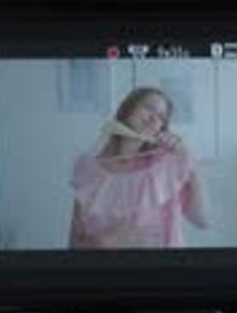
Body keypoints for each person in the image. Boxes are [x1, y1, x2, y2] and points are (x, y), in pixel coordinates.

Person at [70, 87, 208, 249]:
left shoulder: (167, 166)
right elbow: (74, 243)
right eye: (149, 108)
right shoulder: (88, 169)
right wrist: (106, 244)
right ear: (127, 109)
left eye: (161, 117)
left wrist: (187, 160)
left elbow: (201, 220)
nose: (153, 118)